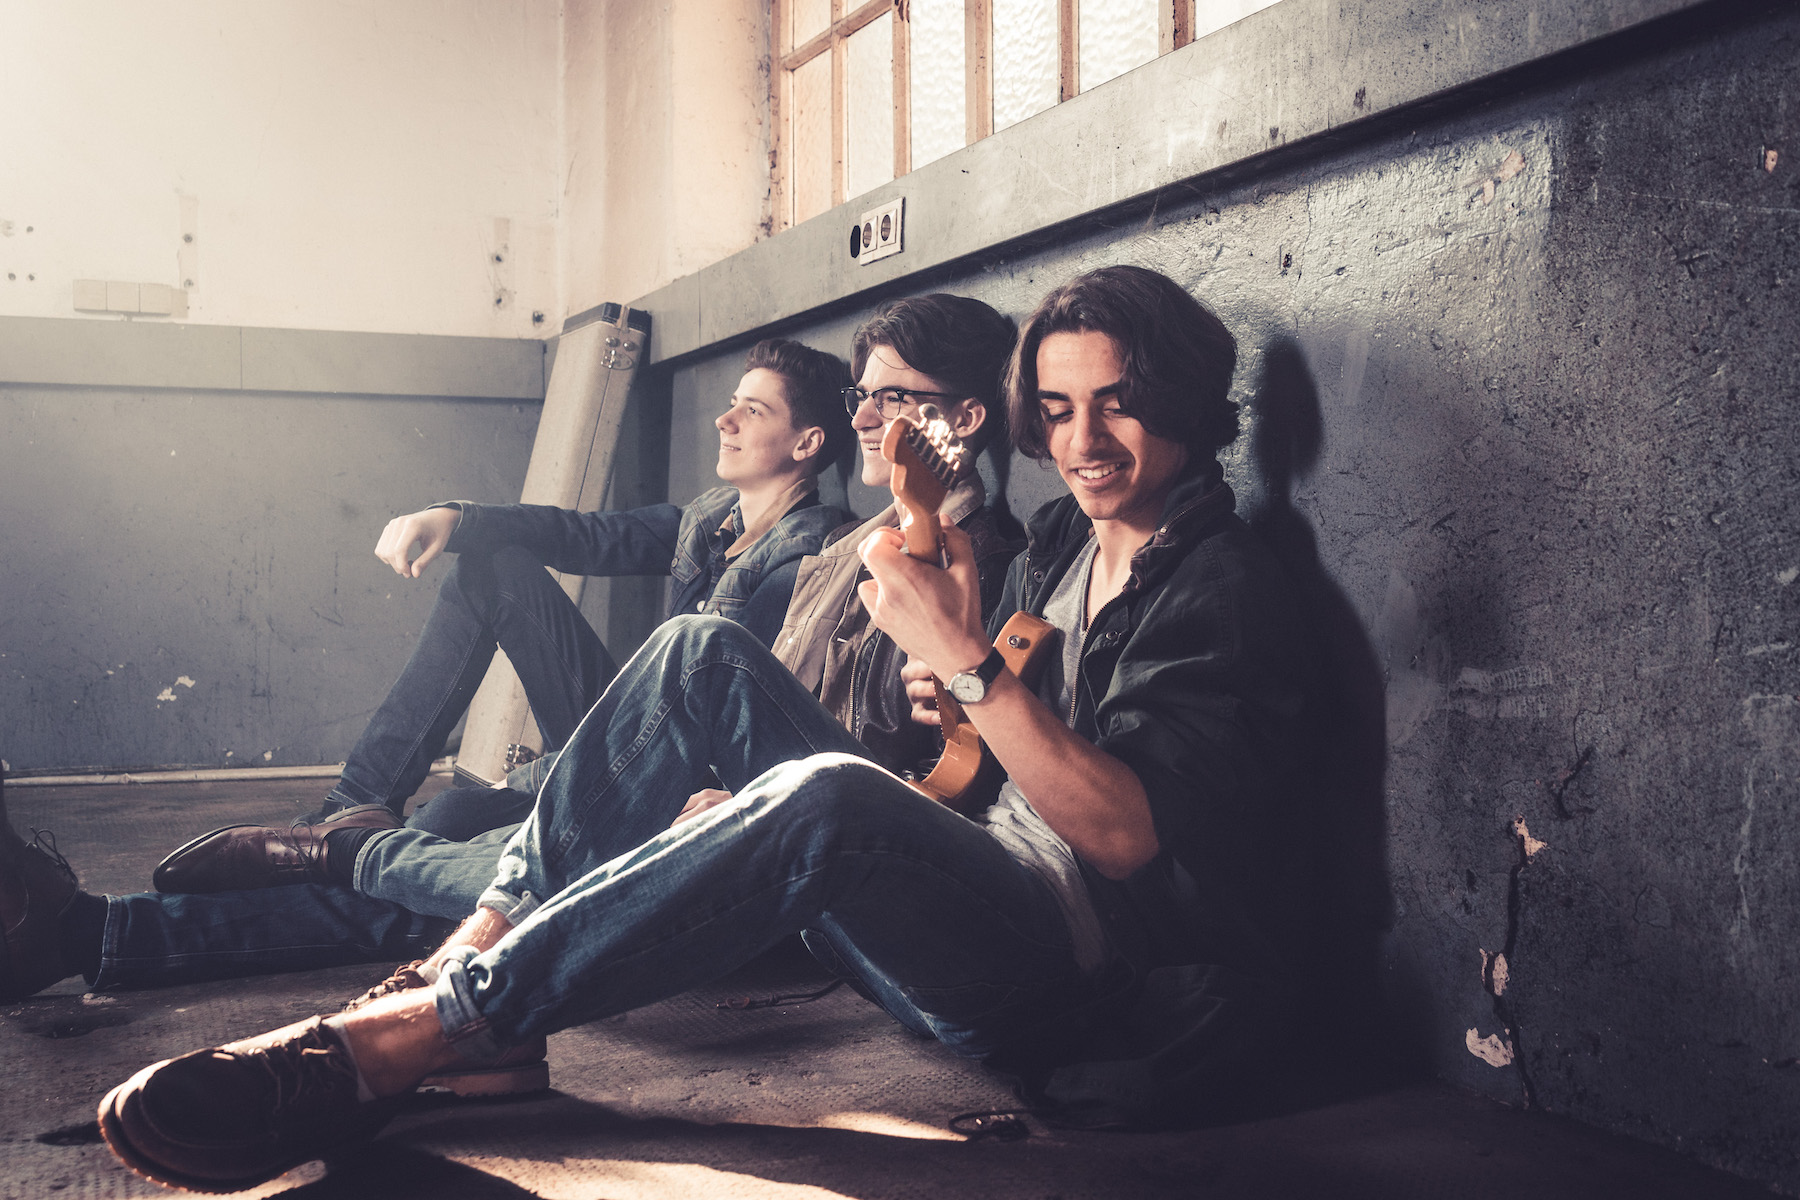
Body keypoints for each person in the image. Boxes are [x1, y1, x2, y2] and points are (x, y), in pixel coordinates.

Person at [93, 265, 1323, 1193]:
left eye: (1119, 407)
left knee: (825, 795)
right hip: (965, 882)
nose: (1084, 443)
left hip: (1074, 973)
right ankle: (473, 968)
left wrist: (962, 668)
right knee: (693, 653)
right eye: (1056, 410)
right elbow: (982, 751)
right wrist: (953, 703)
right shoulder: (1062, 542)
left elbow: (1123, 837)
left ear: (1186, 403)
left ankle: (426, 1028)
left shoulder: (1225, 583)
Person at [0, 297, 1022, 1008]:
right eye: (864, 397)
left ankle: (321, 853)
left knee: (475, 876)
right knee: (456, 826)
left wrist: (752, 789)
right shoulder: (830, 537)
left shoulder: (956, 555)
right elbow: (600, 546)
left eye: (890, 399)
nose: (868, 418)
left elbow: (913, 766)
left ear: (962, 419)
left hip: (747, 820)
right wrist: (460, 516)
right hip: (709, 780)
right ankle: (123, 922)